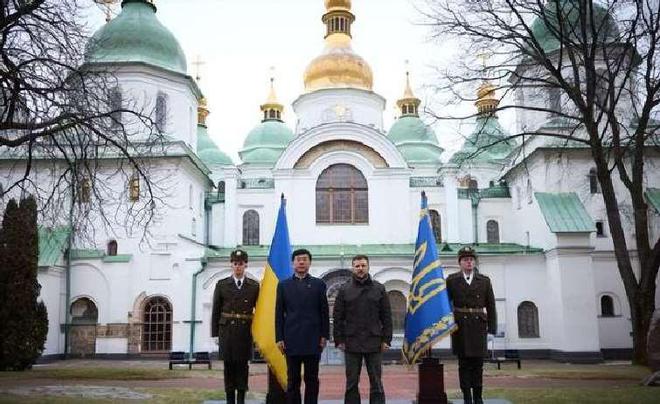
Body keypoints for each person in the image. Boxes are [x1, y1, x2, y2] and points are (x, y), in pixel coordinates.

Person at [333, 254, 392, 404]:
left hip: (374, 341)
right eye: (357, 266)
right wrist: (338, 340)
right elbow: (338, 317)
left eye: (363, 265)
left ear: (368, 266)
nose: (360, 269)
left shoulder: (379, 288)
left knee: (376, 382)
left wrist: (387, 339)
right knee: (351, 383)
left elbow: (386, 316)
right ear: (353, 268)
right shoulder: (344, 289)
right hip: (351, 342)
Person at [275, 249, 329, 404]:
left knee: (312, 379)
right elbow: (278, 313)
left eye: (305, 259)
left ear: (310, 263)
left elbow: (324, 312)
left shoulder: (319, 284)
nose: (301, 262)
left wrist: (324, 335)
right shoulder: (284, 285)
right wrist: (279, 337)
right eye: (298, 259)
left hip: (313, 339)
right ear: (293, 263)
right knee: (293, 380)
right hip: (291, 339)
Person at [446, 246, 497, 404]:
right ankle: (467, 396)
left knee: (478, 364)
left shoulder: (484, 281)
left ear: (474, 262)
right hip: (460, 325)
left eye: (471, 259)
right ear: (459, 263)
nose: (469, 262)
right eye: (465, 260)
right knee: (464, 364)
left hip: (478, 326)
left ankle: (478, 396)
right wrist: (447, 324)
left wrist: (492, 328)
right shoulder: (452, 280)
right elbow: (446, 304)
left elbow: (491, 305)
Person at [211, 249, 260, 404]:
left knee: (243, 368)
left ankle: (241, 400)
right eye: (235, 263)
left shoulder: (254, 286)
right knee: (229, 368)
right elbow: (216, 310)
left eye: (241, 264)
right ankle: (230, 401)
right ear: (231, 265)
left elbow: (259, 310)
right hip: (227, 332)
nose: (238, 266)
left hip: (245, 331)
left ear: (246, 265)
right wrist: (215, 334)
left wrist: (257, 334)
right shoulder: (222, 284)